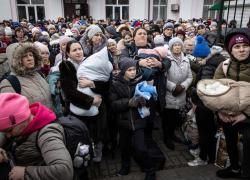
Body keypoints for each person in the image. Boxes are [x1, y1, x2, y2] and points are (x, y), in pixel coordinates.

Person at [0, 93, 73, 180]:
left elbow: (64, 172)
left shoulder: (47, 134)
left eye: (9, 130)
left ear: (22, 118)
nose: (8, 136)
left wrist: (26, 172)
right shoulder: (23, 126)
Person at [109, 58, 156, 180]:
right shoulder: (115, 84)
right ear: (123, 71)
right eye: (129, 70)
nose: (133, 72)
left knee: (140, 148)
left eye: (134, 69)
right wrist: (129, 102)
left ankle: (150, 170)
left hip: (138, 121)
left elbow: (150, 101)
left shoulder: (140, 82)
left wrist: (145, 101)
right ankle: (125, 167)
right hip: (123, 122)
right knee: (125, 148)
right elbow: (113, 104)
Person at [214, 28, 250, 179]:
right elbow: (213, 91)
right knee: (230, 141)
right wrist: (219, 112)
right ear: (230, 50)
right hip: (228, 115)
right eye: (237, 46)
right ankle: (234, 167)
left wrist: (245, 114)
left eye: (245, 46)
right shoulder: (224, 66)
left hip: (247, 117)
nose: (241, 50)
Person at [0, 42, 53, 110]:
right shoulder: (9, 83)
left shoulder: (39, 75)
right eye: (24, 56)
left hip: (51, 119)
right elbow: (11, 113)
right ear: (15, 60)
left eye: (31, 55)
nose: (30, 58)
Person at [162, 37, 192, 150]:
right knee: (167, 118)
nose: (177, 47)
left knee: (175, 118)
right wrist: (173, 87)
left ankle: (172, 135)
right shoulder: (166, 60)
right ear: (171, 47)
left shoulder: (186, 59)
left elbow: (190, 76)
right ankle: (166, 138)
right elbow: (163, 78)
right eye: (175, 45)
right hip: (169, 94)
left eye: (179, 45)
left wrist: (183, 86)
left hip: (181, 93)